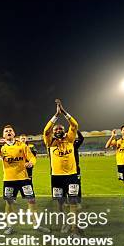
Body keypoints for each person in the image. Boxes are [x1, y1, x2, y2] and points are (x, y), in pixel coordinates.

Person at [0, 125, 48, 234]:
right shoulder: (1, 148)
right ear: (4, 135)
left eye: (10, 130)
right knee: (9, 203)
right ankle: (10, 226)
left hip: (24, 178)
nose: (9, 132)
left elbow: (32, 157)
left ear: (14, 134)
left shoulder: (22, 145)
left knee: (32, 201)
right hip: (9, 180)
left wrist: (31, 163)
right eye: (6, 131)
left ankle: (36, 224)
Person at [43, 99, 80, 236]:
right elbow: (46, 130)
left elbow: (75, 125)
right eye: (56, 129)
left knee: (73, 202)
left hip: (71, 176)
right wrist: (55, 115)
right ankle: (65, 222)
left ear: (64, 130)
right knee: (60, 203)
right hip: (56, 177)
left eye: (60, 128)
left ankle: (74, 228)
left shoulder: (70, 139)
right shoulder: (50, 142)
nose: (58, 130)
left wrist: (63, 112)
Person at [105, 125, 124, 206]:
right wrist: (112, 136)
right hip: (120, 164)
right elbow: (107, 146)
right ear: (121, 131)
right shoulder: (118, 141)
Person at [73, 129, 84, 207]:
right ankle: (67, 201)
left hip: (75, 168)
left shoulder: (75, 144)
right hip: (65, 169)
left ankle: (79, 202)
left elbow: (81, 138)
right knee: (66, 185)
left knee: (77, 185)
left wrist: (76, 130)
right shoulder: (61, 144)